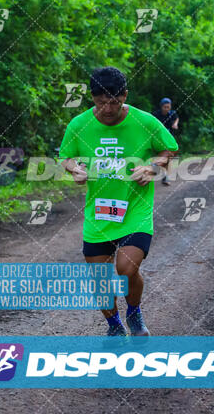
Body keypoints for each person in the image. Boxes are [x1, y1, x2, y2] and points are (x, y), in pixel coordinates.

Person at [58, 67, 179, 337]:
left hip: (135, 210)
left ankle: (134, 312)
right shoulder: (79, 125)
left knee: (126, 269)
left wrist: (152, 167)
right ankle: (114, 326)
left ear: (125, 95)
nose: (108, 109)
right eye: (101, 102)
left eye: (115, 101)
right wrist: (73, 168)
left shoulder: (145, 121)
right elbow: (65, 157)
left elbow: (169, 150)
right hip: (99, 213)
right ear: (93, 98)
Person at [152, 98, 179, 186]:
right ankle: (154, 168)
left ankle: (165, 176)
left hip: (168, 141)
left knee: (168, 158)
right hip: (158, 140)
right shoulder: (156, 114)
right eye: (165, 107)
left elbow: (176, 118)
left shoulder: (172, 114)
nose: (167, 109)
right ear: (161, 107)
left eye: (168, 107)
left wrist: (175, 124)